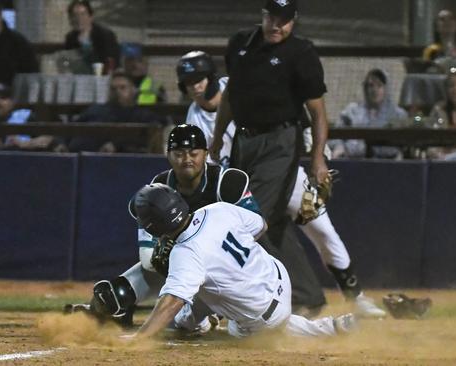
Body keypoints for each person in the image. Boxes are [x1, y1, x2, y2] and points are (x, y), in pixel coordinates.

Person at [177, 52, 385, 317]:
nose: (195, 85)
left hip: (283, 172)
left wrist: (313, 145)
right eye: (188, 81)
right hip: (247, 190)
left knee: (323, 230)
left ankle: (356, 298)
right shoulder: (193, 118)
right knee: (254, 243)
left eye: (200, 78)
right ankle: (276, 302)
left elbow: (284, 104)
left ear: (212, 77)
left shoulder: (238, 86)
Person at [64, 124, 262, 330]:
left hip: (225, 269)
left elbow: (257, 225)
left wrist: (215, 250)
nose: (186, 159)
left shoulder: (226, 182)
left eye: (193, 153)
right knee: (111, 296)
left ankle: (205, 315)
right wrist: (170, 257)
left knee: (184, 323)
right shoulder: (159, 187)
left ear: (206, 153)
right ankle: (113, 314)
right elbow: (149, 259)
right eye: (179, 153)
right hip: (179, 262)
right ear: (168, 155)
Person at [209, 0, 329, 316]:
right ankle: (307, 296)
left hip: (281, 142)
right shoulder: (240, 44)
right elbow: (231, 96)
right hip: (244, 140)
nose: (278, 25)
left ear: (294, 20)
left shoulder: (301, 52)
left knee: (248, 218)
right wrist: (218, 136)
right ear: (263, 15)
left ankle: (271, 294)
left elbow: (317, 111)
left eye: (285, 19)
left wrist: (318, 157)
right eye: (273, 16)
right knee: (269, 222)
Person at [125, 183, 356, 339]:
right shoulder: (216, 209)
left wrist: (140, 338)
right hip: (279, 277)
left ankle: (322, 330)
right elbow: (261, 226)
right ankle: (190, 322)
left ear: (153, 226)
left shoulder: (184, 254)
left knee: (235, 327)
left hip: (264, 316)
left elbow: (171, 302)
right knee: (207, 281)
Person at [68, 71, 166, 152]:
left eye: (122, 87)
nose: (117, 91)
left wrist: (117, 145)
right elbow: (72, 128)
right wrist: (59, 143)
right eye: (113, 89)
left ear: (133, 90)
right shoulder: (96, 110)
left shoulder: (143, 116)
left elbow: (151, 136)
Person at [331, 68, 408, 159]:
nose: (374, 90)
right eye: (371, 85)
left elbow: (403, 145)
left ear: (386, 89)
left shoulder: (398, 115)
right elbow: (335, 136)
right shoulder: (352, 112)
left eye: (379, 85)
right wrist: (340, 147)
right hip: (354, 162)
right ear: (365, 88)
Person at [64, 0, 120, 74]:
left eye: (82, 14)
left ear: (91, 16)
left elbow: (112, 62)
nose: (78, 19)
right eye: (74, 15)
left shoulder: (105, 34)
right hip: (80, 76)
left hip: (103, 76)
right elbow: (69, 61)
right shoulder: (70, 37)